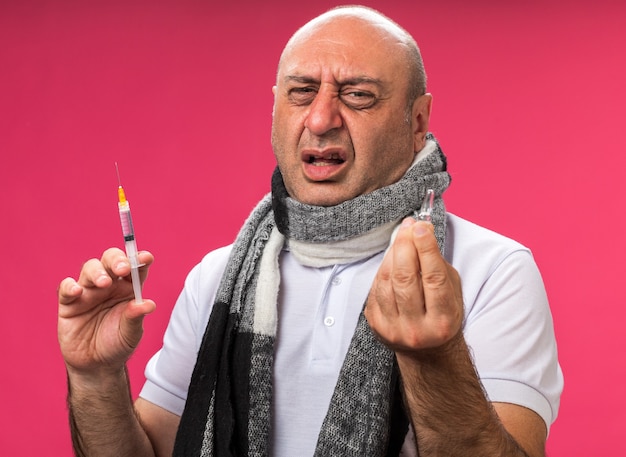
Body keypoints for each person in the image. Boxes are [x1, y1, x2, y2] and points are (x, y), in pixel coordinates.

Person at [58, 5, 563, 457]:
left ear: (417, 122)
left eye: (358, 95)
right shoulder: (217, 278)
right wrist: (95, 377)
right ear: (275, 108)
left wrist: (433, 359)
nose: (321, 119)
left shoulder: (493, 270)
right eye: (302, 92)